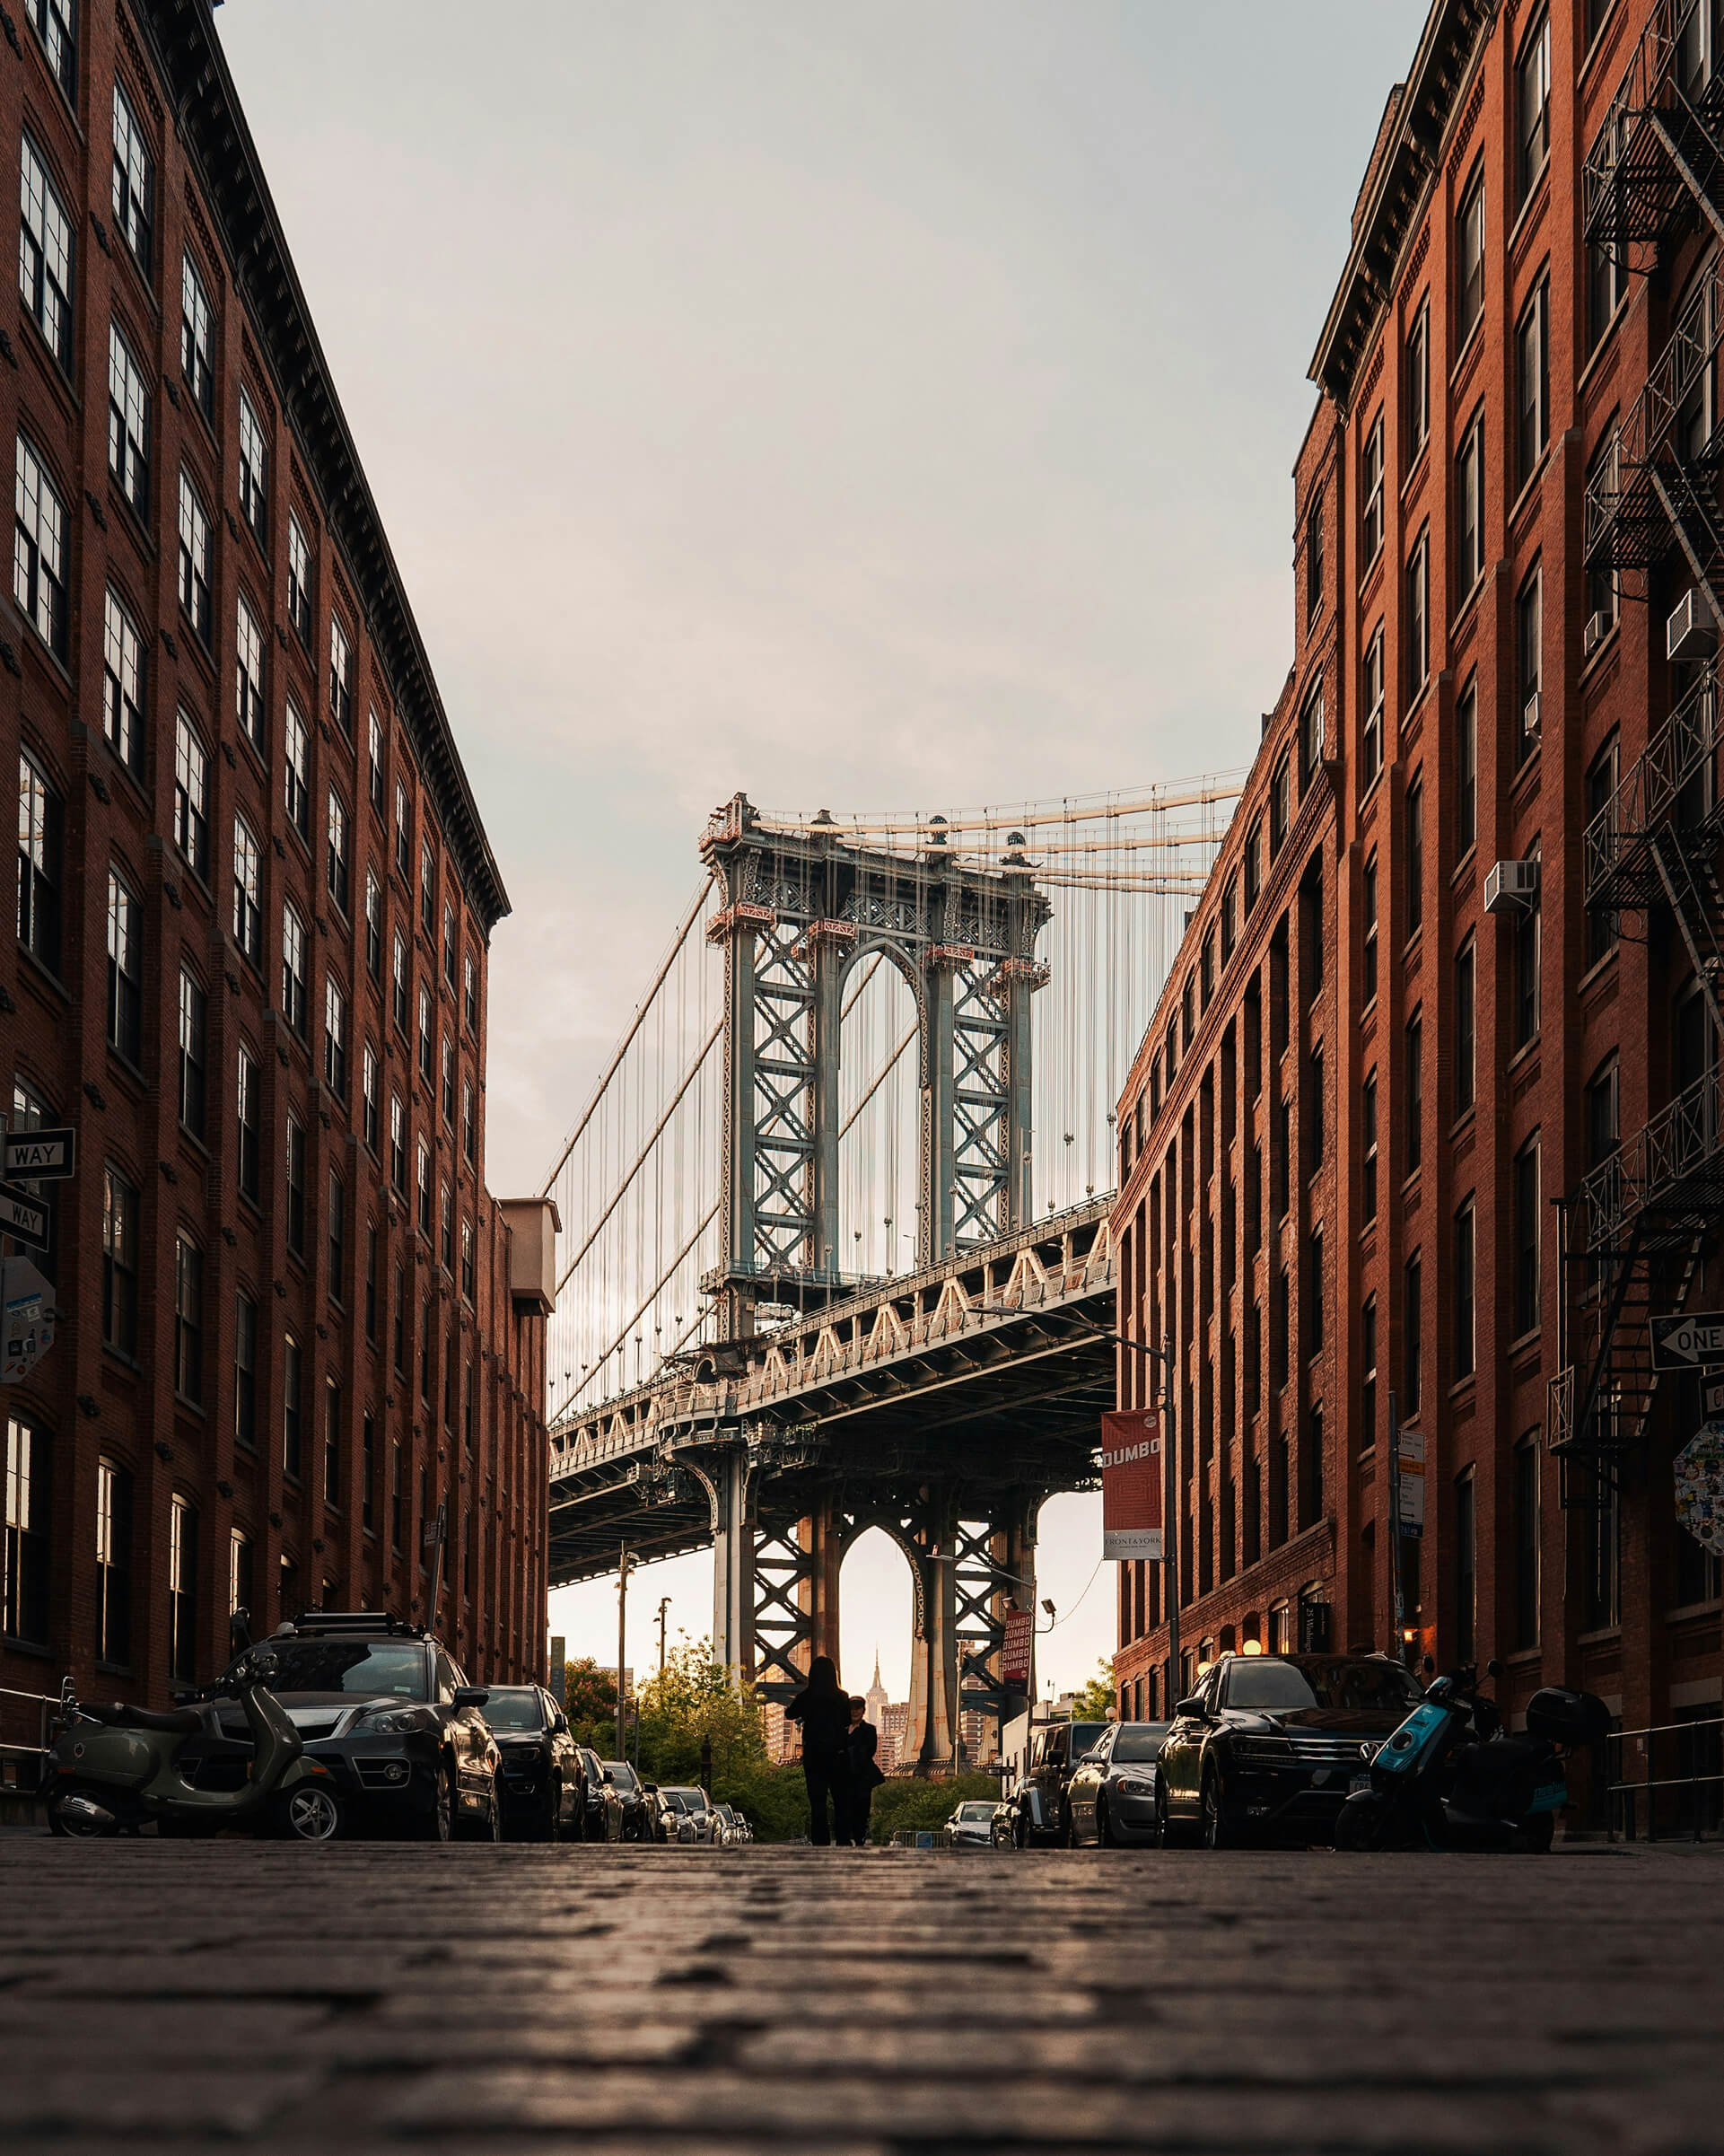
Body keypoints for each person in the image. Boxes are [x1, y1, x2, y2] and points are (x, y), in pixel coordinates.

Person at [784, 1654, 851, 1845]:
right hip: (838, 1755)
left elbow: (790, 1714)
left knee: (817, 1801)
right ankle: (843, 1840)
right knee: (840, 1800)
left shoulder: (806, 1696)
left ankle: (820, 1841)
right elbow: (847, 1721)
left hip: (814, 1755)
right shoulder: (842, 1697)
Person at [839, 1694, 885, 1846]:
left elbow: (869, 1751)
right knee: (845, 1809)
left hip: (862, 1778)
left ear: (863, 1710)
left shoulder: (869, 1730)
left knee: (862, 1810)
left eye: (858, 1709)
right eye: (852, 1709)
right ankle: (847, 1837)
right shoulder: (841, 1729)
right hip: (844, 1777)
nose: (854, 1712)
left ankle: (860, 1839)